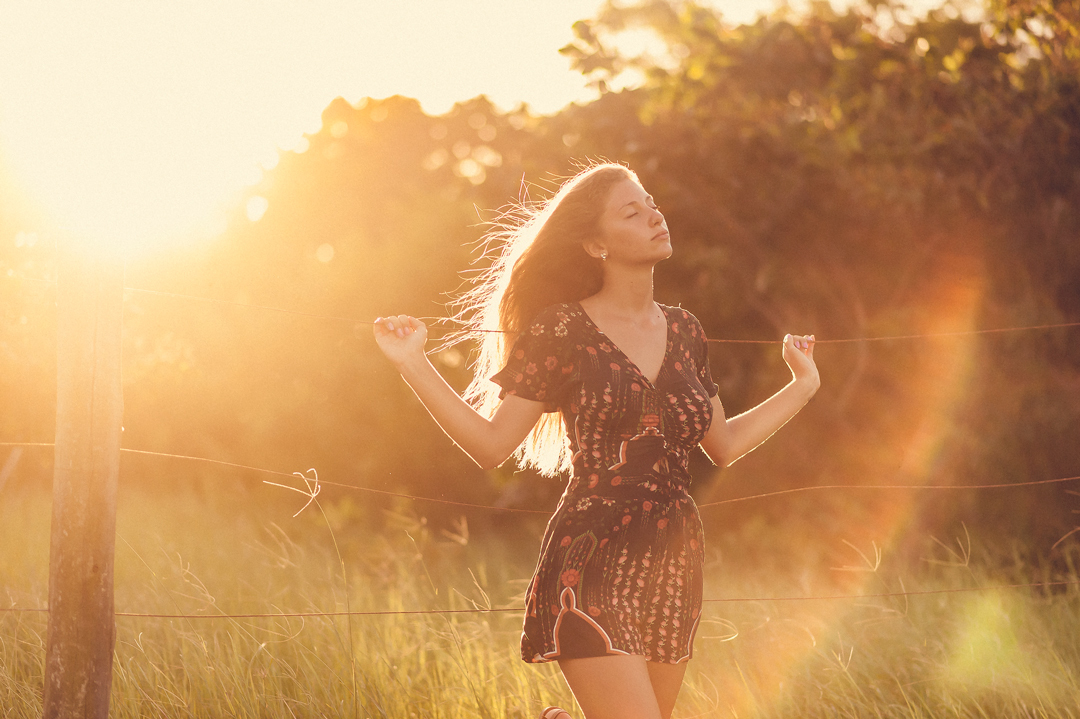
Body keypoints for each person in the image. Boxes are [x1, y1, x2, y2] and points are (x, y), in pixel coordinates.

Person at [373, 162, 819, 719]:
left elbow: (723, 443)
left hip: (674, 561)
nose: (654, 214)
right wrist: (414, 363)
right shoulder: (564, 330)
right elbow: (490, 445)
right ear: (594, 244)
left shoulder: (684, 329)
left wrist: (803, 383)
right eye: (632, 211)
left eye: (652, 203)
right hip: (592, 556)